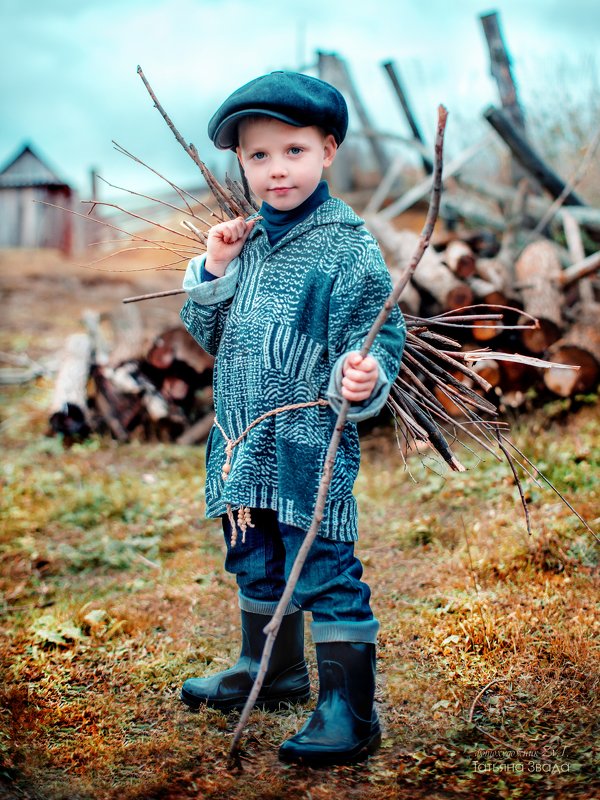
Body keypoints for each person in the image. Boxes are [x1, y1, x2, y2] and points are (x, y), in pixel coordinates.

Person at [179, 70, 406, 766]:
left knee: (325, 565)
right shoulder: (244, 242)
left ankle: (347, 708)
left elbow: (380, 332)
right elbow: (208, 333)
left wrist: (360, 375)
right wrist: (214, 270)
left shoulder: (347, 247)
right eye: (258, 156)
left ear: (329, 150)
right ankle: (270, 669)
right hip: (241, 443)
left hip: (308, 446)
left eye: (294, 151)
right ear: (241, 164)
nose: (277, 170)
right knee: (255, 557)